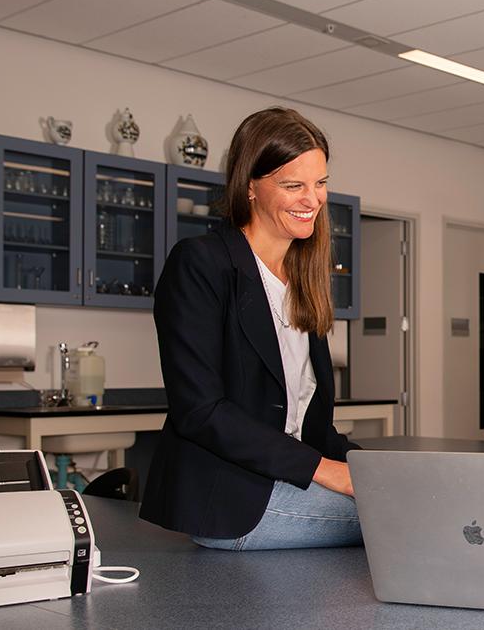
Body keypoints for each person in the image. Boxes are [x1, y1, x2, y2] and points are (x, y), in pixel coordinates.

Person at [141, 107, 360, 550]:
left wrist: (371, 469)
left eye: (320, 183)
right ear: (250, 187)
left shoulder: (302, 279)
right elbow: (200, 411)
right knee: (408, 518)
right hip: (231, 498)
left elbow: (308, 427)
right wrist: (325, 470)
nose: (312, 199)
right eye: (293, 185)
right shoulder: (201, 263)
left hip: (286, 482)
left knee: (411, 498)